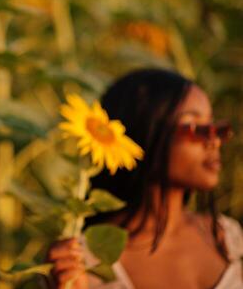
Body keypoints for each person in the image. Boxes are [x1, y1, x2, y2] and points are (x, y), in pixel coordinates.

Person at [48, 68, 242, 289]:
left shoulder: (228, 239)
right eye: (196, 128)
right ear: (143, 134)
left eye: (217, 128)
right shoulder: (79, 260)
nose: (214, 141)